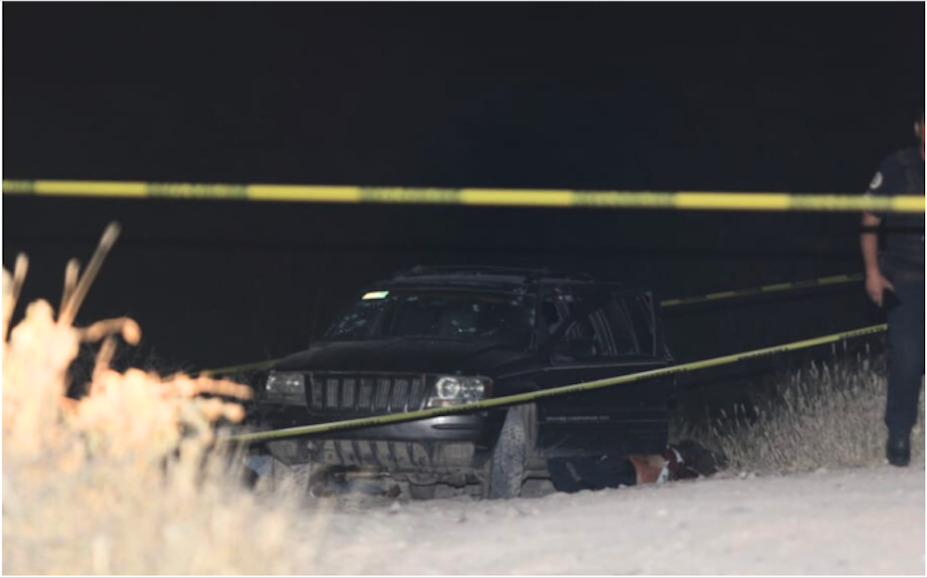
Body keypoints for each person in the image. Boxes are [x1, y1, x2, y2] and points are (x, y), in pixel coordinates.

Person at [860, 106, 925, 467]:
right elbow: (870, 219)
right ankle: (899, 435)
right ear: (918, 128)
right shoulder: (897, 167)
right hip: (906, 280)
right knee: (908, 360)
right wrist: (872, 271)